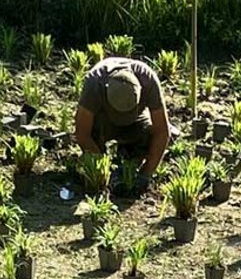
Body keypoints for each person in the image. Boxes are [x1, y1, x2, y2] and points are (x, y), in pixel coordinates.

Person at [72, 56, 171, 197]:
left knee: (147, 135)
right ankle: (101, 155)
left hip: (137, 120)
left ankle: (129, 157)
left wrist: (146, 174)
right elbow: (82, 133)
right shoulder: (94, 83)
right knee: (94, 138)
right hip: (103, 119)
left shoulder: (148, 80)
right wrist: (103, 168)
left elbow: (162, 132)